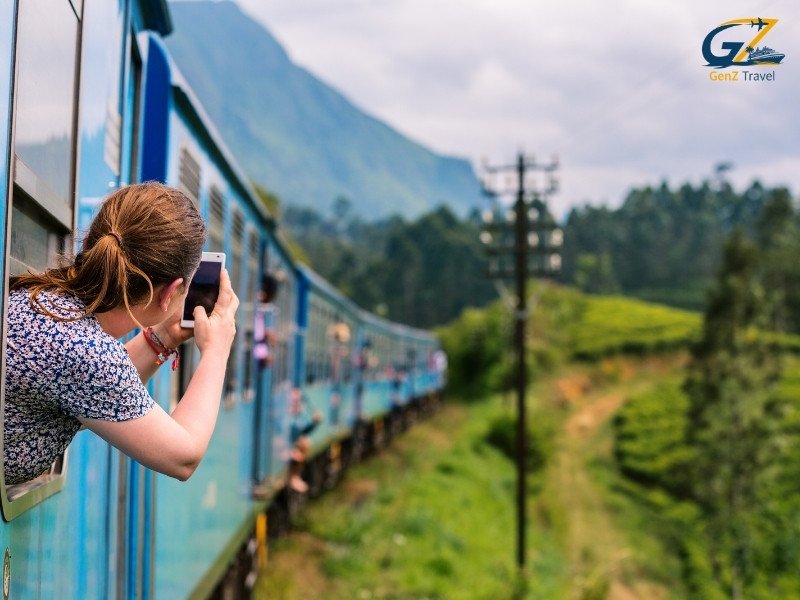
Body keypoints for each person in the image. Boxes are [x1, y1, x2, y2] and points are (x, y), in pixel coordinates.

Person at [4, 182, 239, 485]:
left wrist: (163, 338)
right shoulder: (86, 352)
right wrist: (217, 350)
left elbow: (92, 389)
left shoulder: (45, 301)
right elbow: (184, 457)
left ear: (89, 242)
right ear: (169, 295)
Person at [287, 387, 322, 493]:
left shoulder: (296, 418)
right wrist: (289, 452)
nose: (298, 405)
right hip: (284, 449)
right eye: (295, 402)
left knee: (305, 443)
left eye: (299, 402)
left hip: (291, 447)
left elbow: (302, 431)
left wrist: (314, 423)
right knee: (303, 444)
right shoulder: (286, 419)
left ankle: (295, 477)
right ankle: (293, 477)